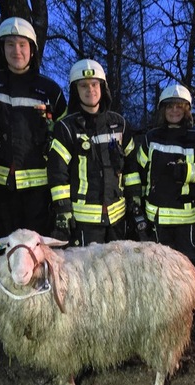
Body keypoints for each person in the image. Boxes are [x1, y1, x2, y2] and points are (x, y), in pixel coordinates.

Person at [0, 17, 67, 238]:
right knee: (5, 244)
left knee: (36, 246)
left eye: (22, 44)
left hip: (39, 186)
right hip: (1, 184)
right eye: (10, 44)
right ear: (2, 49)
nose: (17, 50)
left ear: (32, 51)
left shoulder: (50, 90)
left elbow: (63, 133)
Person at [47, 59, 139, 246]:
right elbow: (58, 173)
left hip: (117, 219)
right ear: (75, 90)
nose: (90, 90)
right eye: (84, 86)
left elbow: (131, 168)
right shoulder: (66, 128)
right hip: (84, 223)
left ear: (103, 87)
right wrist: (63, 210)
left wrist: (135, 198)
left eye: (95, 84)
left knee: (116, 272)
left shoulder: (119, 124)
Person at [135, 84, 195, 272]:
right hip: (156, 217)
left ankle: (193, 302)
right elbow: (139, 172)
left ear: (187, 110)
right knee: (157, 268)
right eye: (169, 106)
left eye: (179, 106)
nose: (174, 111)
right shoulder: (151, 138)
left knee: (187, 269)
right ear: (163, 110)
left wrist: (187, 172)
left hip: (185, 219)